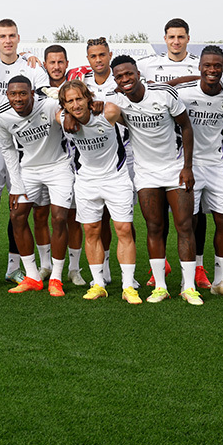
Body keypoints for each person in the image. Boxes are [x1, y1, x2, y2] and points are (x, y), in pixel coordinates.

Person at [107, 55, 203, 305]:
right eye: (119, 76)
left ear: (138, 73)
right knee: (154, 228)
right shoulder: (116, 100)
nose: (125, 79)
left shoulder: (163, 94)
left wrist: (187, 167)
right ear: (115, 80)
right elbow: (97, 109)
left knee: (185, 226)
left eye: (129, 74)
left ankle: (189, 287)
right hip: (146, 173)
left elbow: (186, 126)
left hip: (175, 169)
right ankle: (160, 286)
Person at [55, 80, 139, 303]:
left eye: (79, 98)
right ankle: (98, 284)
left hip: (116, 178)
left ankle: (128, 286)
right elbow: (58, 114)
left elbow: (122, 114)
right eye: (70, 101)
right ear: (64, 105)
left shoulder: (108, 112)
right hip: (86, 182)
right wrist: (68, 114)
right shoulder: (64, 119)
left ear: (88, 98)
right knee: (91, 231)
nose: (75, 104)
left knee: (123, 229)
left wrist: (97, 105)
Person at [0, 19, 48, 283]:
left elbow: (44, 96)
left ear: (18, 38)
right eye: (2, 36)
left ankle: (13, 266)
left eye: (11, 36)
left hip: (27, 148)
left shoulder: (32, 67)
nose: (7, 41)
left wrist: (32, 58)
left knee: (20, 207)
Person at [0, 77, 75, 297]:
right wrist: (16, 185)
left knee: (59, 218)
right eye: (13, 94)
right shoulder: (2, 116)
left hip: (59, 166)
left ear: (31, 93)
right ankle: (33, 276)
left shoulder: (48, 105)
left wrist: (64, 114)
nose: (18, 98)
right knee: (17, 216)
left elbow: (65, 118)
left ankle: (56, 278)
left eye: (22, 93)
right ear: (7, 94)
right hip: (29, 170)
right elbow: (8, 149)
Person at [173, 46, 223, 299]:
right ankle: (187, 283)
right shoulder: (183, 93)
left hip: (215, 166)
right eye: (207, 65)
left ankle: (220, 281)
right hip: (187, 165)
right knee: (188, 224)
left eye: (217, 66)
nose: (212, 70)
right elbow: (161, 89)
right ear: (199, 66)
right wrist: (192, 79)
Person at [41, 44, 85, 286]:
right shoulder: (37, 90)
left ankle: (74, 269)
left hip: (75, 162)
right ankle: (46, 265)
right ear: (45, 64)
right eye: (52, 62)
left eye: (60, 62)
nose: (56, 67)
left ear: (67, 64)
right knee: (43, 215)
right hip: (46, 162)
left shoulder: (76, 89)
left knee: (72, 216)